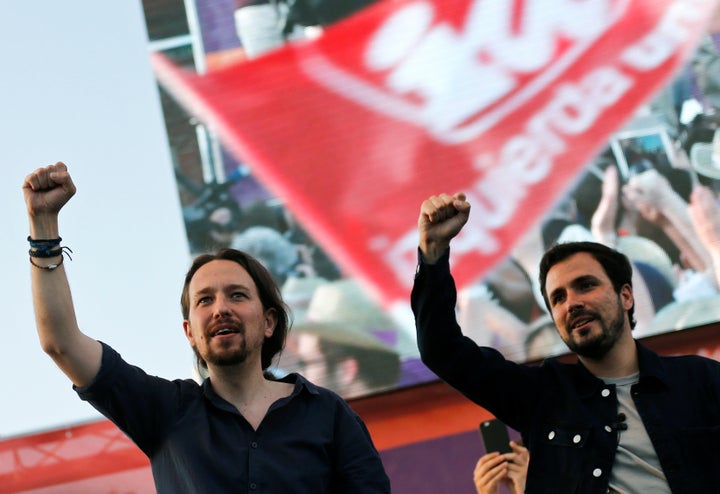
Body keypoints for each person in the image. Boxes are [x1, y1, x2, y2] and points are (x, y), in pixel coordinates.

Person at [23, 162, 391, 494]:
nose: (220, 309)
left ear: (268, 321)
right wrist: (43, 226)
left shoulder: (328, 414)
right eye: (204, 300)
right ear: (189, 332)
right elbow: (61, 343)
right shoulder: (165, 411)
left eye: (237, 295)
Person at [413, 192, 720, 492]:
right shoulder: (541, 396)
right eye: (558, 298)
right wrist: (433, 252)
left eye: (585, 285)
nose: (571, 303)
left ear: (626, 295)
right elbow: (442, 350)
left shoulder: (701, 381)